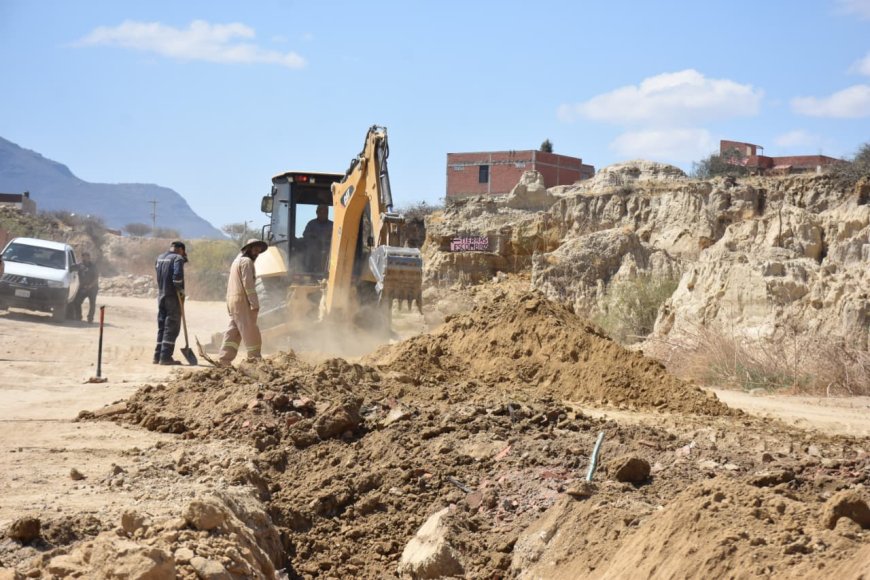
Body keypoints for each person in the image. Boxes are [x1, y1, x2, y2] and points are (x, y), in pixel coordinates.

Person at [217, 238, 268, 366]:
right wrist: (254, 303)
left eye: (259, 251)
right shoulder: (246, 262)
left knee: (233, 331)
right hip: (242, 300)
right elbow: (248, 284)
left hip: (232, 300)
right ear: (248, 248)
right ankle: (255, 359)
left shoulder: (236, 261)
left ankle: (224, 359)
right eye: (255, 250)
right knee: (251, 330)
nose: (257, 253)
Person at [153, 241, 187, 365]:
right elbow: (177, 277)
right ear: (181, 250)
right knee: (171, 326)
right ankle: (165, 357)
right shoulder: (177, 258)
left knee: (162, 326)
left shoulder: (160, 258)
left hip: (161, 295)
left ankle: (157, 356)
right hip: (172, 297)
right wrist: (180, 290)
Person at [302, 204, 333, 273]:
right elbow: (305, 235)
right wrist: (314, 237)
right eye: (321, 212)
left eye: (325, 213)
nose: (323, 214)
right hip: (314, 248)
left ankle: (332, 271)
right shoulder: (311, 224)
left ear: (327, 213)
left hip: (329, 247)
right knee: (310, 249)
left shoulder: (332, 225)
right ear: (317, 213)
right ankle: (308, 271)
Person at [73, 252, 99, 323]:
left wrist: (90, 286)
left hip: (93, 288)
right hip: (83, 288)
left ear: (89, 257)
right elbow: (72, 268)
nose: (85, 258)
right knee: (77, 302)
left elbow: (96, 278)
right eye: (83, 257)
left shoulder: (93, 266)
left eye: (86, 257)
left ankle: (90, 318)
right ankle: (78, 316)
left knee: (92, 304)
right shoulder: (80, 265)